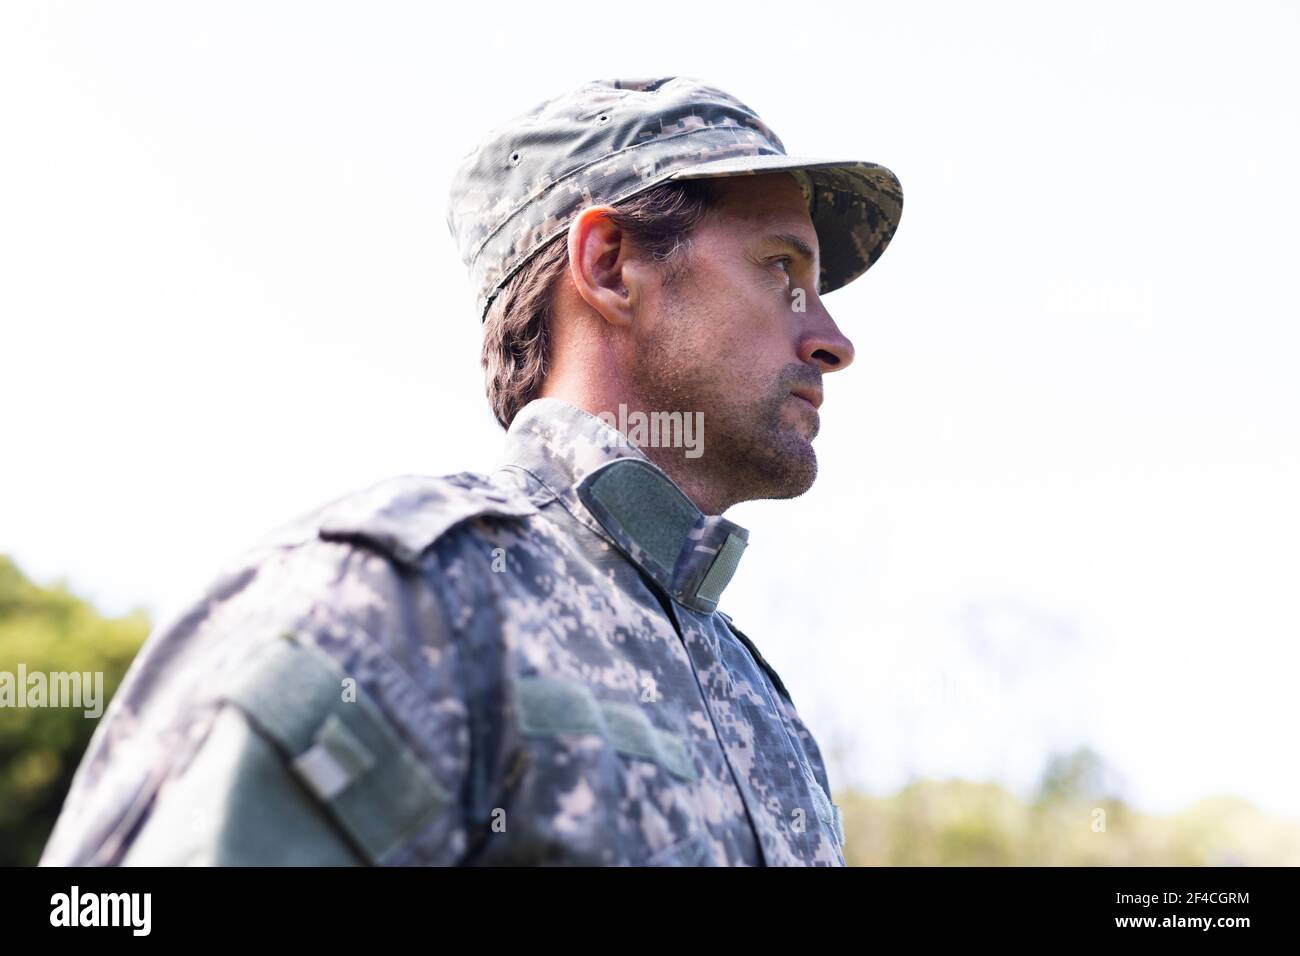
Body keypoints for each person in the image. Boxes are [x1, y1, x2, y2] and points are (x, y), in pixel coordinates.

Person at [39, 76, 902, 866]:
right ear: (608, 266)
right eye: (782, 271)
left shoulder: (768, 716)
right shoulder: (395, 598)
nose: (832, 338)